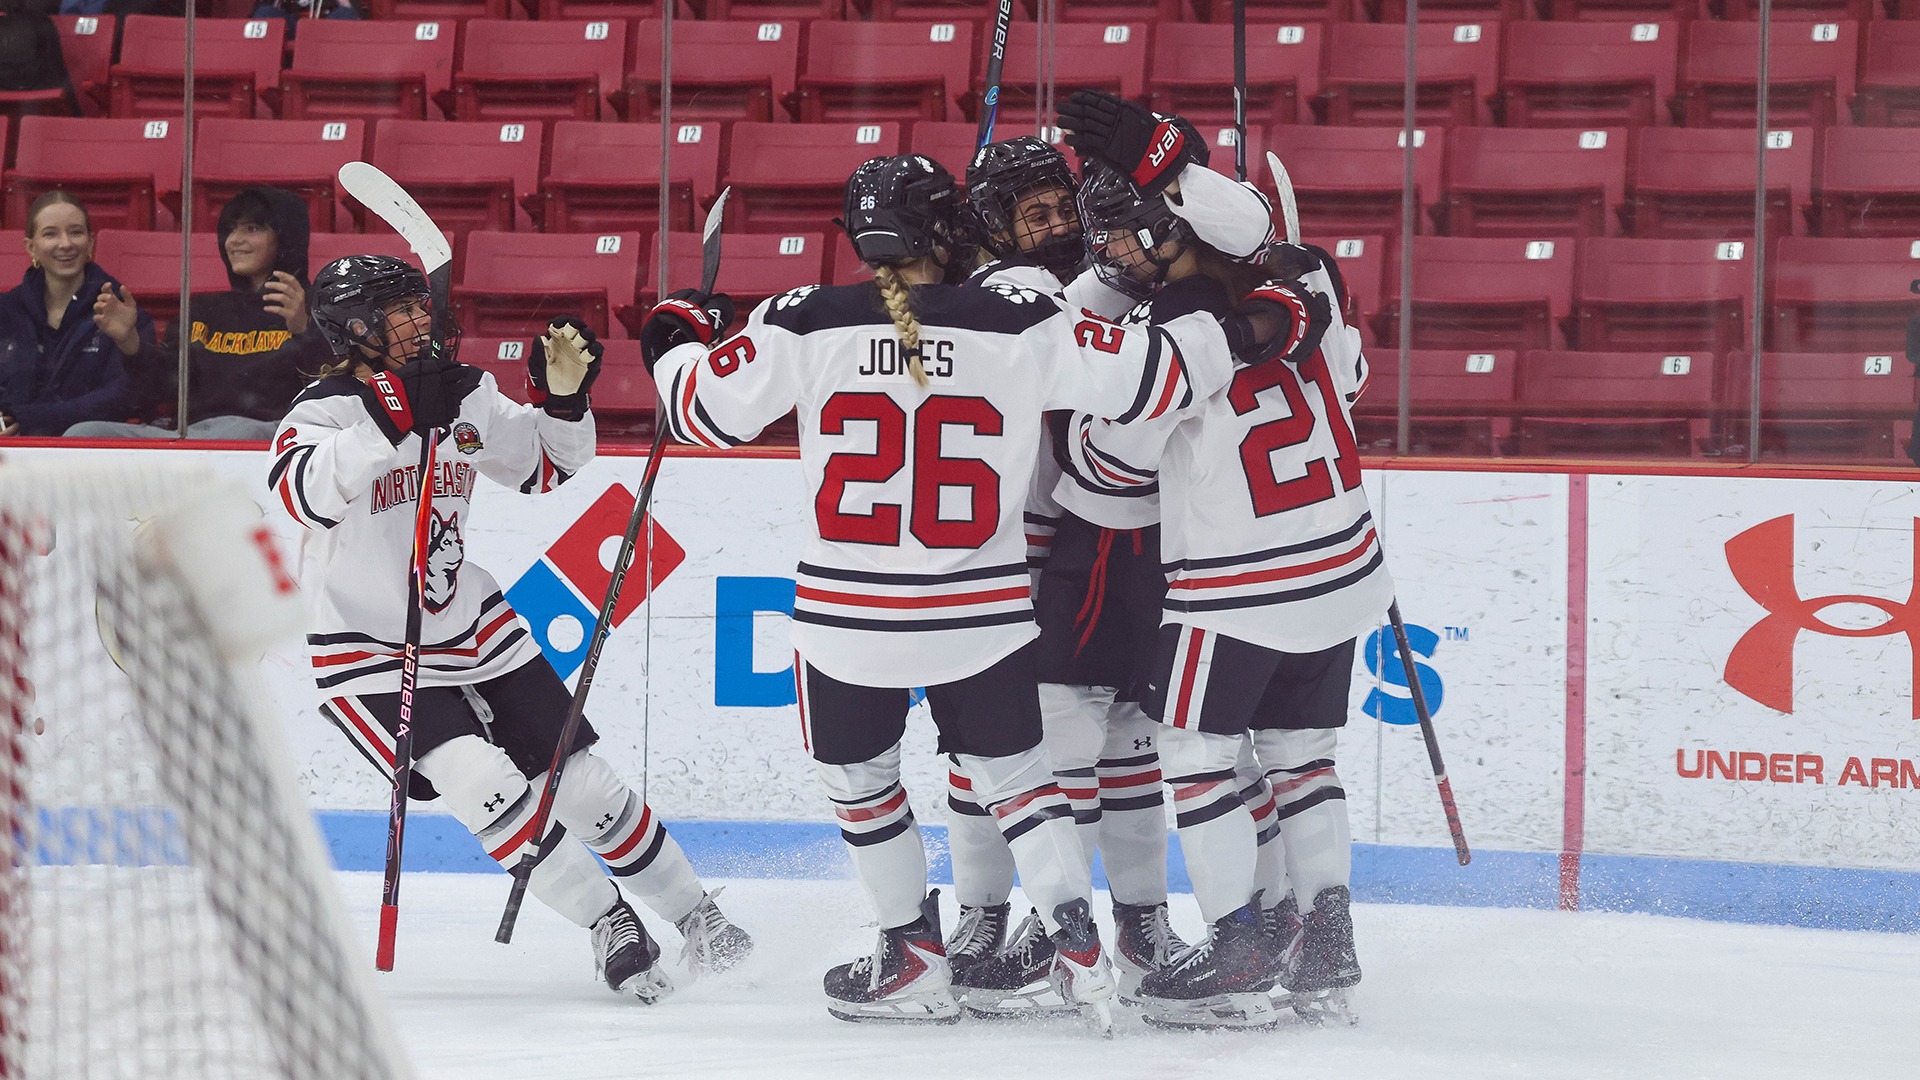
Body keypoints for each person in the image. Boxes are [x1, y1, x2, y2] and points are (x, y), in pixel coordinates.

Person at [638, 153, 1234, 1027]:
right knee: (1023, 785)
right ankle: (1080, 951)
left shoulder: (801, 321)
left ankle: (911, 960)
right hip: (982, 614)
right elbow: (1158, 381)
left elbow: (699, 413)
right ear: (950, 231)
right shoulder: (1023, 318)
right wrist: (1224, 290)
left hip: (847, 618)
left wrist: (678, 335)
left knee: (861, 781)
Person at [270, 255, 752, 1003]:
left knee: (584, 785)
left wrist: (562, 404)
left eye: (417, 307)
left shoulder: (463, 391)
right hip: (368, 650)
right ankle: (608, 922)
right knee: (480, 780)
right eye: (398, 312)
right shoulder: (322, 409)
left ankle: (702, 916)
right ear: (355, 328)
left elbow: (545, 469)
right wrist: (387, 416)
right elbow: (301, 494)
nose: (419, 321)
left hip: (474, 626)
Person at [947, 105, 1281, 1015]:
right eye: (1033, 215)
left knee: (1129, 734)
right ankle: (985, 915)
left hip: (1123, 543)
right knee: (999, 746)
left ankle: (1134, 921)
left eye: (1065, 209)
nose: (1057, 228)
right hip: (1004, 551)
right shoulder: (1017, 292)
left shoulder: (1123, 278)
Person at [1059, 160, 1381, 1030]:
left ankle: (1238, 943)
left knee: (1195, 757)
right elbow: (1351, 383)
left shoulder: (1167, 330)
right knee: (1304, 759)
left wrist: (1092, 426)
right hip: (1341, 566)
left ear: (1184, 237)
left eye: (1132, 229)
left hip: (1236, 584)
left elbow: (1111, 470)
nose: (1116, 247)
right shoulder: (1304, 291)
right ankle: (1324, 941)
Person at [68, 186, 331, 440]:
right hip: (190, 433)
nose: (235, 241)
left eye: (252, 229)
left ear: (285, 237)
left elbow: (334, 396)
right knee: (81, 434)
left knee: (239, 434)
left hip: (267, 434)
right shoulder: (202, 309)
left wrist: (303, 330)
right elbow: (162, 391)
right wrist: (130, 342)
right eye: (230, 230)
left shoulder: (317, 306)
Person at [0, 192, 153, 437]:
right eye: (50, 233)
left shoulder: (121, 312)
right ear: (31, 247)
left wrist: (29, 421)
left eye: (76, 232)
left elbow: (123, 396)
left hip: (86, 457)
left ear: (91, 242)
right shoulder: (5, 310)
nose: (65, 244)